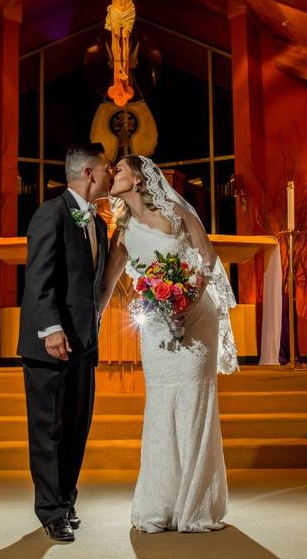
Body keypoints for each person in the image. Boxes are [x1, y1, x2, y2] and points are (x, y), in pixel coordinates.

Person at [99, 154, 238, 533]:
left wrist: (189, 299)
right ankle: (160, 503)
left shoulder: (175, 212)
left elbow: (207, 257)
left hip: (196, 320)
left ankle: (195, 505)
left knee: (195, 403)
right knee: (161, 404)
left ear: (141, 179)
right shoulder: (123, 232)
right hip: (157, 328)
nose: (114, 174)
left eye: (121, 170)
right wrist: (87, 325)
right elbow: (107, 288)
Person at [17, 143, 112, 543]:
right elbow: (38, 278)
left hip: (84, 343)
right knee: (48, 430)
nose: (109, 175)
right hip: (50, 343)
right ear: (89, 173)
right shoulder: (50, 213)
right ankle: (51, 510)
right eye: (106, 169)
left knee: (76, 427)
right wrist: (51, 328)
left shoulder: (100, 224)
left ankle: (67, 499)